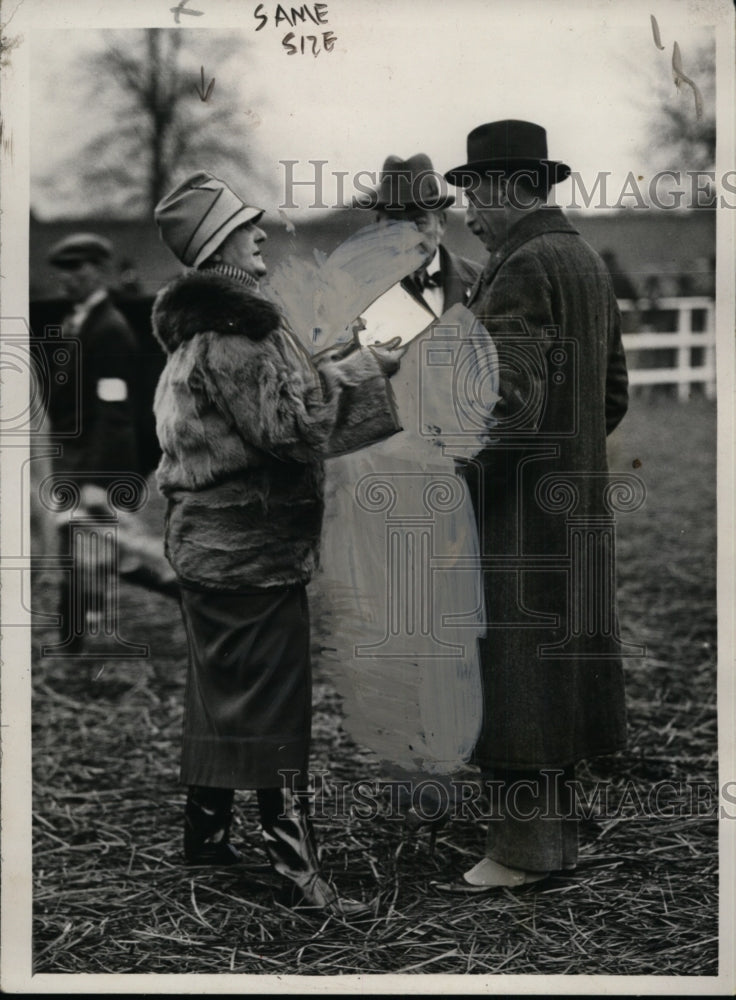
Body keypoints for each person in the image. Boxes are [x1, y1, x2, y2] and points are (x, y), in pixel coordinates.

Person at [151, 170, 404, 917]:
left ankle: (206, 838)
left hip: (210, 547)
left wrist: (338, 364)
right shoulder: (241, 333)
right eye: (248, 225)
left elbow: (273, 403)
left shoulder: (210, 331)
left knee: (219, 693)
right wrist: (365, 369)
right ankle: (299, 872)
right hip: (252, 552)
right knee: (277, 705)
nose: (263, 233)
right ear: (220, 244)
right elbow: (290, 431)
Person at [437, 120, 630, 890]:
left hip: (519, 518)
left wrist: (457, 476)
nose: (468, 216)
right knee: (559, 672)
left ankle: (522, 852)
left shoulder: (520, 268)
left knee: (517, 672)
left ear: (506, 188)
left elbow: (504, 406)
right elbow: (610, 393)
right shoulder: (583, 260)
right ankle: (553, 842)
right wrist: (569, 447)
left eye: (472, 197)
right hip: (576, 507)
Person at [45, 233, 141, 651]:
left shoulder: (110, 330)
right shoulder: (80, 320)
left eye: (77, 270)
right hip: (71, 455)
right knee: (78, 545)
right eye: (63, 272)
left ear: (99, 271)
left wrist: (97, 477)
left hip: (89, 459)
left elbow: (114, 409)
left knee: (87, 547)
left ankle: (74, 640)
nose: (68, 280)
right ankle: (75, 635)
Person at [356, 153, 481, 315]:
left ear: (441, 223)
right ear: (378, 226)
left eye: (418, 223)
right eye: (394, 225)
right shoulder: (355, 293)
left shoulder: (479, 280)